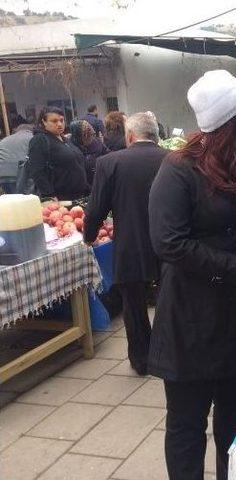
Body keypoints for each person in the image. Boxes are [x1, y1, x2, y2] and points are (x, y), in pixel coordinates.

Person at [148, 70, 236, 480]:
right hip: (192, 321)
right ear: (222, 125)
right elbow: (170, 242)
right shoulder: (179, 170)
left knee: (234, 420)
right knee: (187, 425)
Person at [83, 112, 166, 374]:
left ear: (130, 136)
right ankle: (169, 352)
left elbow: (96, 208)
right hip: (170, 244)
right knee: (170, 298)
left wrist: (88, 235)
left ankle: (141, 360)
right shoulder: (175, 159)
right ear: (155, 134)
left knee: (134, 304)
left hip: (130, 243)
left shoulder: (110, 162)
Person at [27, 107, 89, 200]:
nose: (59, 124)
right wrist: (49, 195)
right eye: (54, 121)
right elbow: (37, 171)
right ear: (44, 122)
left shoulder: (65, 139)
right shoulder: (39, 140)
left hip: (78, 195)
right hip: (60, 198)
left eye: (61, 120)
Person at [69, 120, 110, 186]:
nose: (90, 137)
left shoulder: (96, 142)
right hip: (82, 184)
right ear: (79, 136)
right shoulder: (71, 148)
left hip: (98, 179)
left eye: (92, 134)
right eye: (86, 135)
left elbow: (107, 154)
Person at [0, 124, 33, 194]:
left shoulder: (4, 140)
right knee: (25, 199)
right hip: (20, 175)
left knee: (13, 199)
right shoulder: (33, 138)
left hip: (2, 175)